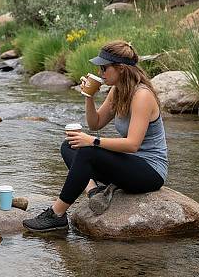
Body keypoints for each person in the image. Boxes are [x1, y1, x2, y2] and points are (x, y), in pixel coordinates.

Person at [23, 40, 168, 232]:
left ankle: (56, 214)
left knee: (87, 151)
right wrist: (88, 96)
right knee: (70, 145)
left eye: (104, 68)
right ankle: (94, 191)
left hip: (150, 171)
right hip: (128, 165)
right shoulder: (117, 91)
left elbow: (133, 144)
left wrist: (92, 141)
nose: (101, 73)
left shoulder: (142, 96)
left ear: (122, 69)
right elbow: (95, 123)